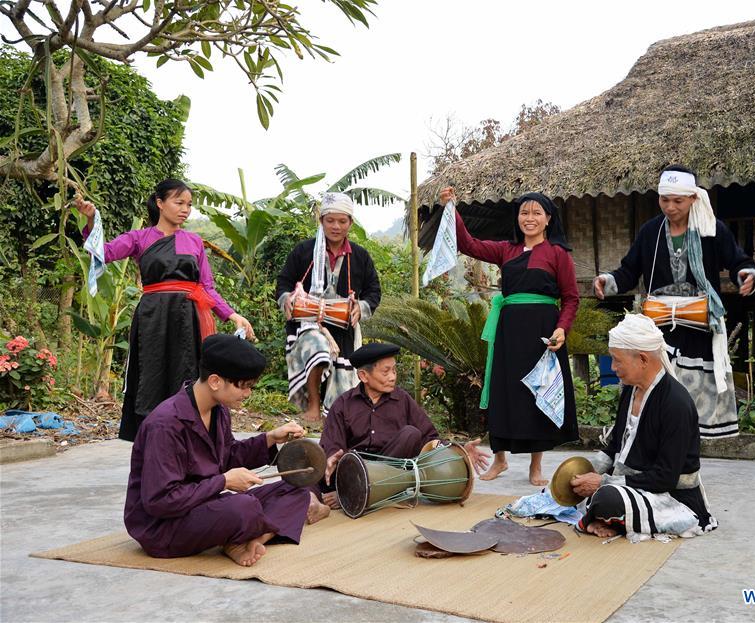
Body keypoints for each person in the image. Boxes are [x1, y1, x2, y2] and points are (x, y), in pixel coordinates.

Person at [124, 334, 330, 567]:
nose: (248, 394)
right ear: (215, 381)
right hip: (162, 527)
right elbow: (160, 501)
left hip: (205, 506)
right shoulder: (165, 424)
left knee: (294, 488)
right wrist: (223, 482)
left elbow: (228, 455)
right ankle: (241, 535)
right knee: (243, 507)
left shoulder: (219, 411)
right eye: (244, 386)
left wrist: (271, 439)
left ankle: (251, 539)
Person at [77, 180, 254, 441]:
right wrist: (92, 220)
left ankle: (189, 438)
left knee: (188, 375)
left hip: (187, 318)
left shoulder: (194, 242)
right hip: (152, 318)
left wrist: (232, 314)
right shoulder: (140, 238)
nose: (185, 209)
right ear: (160, 203)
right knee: (151, 375)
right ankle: (153, 438)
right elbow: (103, 252)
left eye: (189, 205)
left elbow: (207, 287)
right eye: (178, 202)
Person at [593, 165, 755, 438]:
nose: (670, 207)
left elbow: (738, 260)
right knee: (652, 389)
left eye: (678, 201)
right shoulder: (650, 232)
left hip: (698, 328)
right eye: (664, 200)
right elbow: (629, 271)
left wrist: (745, 274)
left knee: (691, 400)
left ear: (693, 198)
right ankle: (644, 451)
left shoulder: (711, 230)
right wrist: (608, 281)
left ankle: (685, 458)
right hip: (658, 330)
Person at [437, 187, 579, 486]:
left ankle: (535, 467)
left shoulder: (558, 254)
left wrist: (562, 329)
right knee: (504, 391)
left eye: (536, 213)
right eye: (524, 212)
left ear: (548, 219)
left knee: (537, 392)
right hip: (509, 331)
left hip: (543, 333)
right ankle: (500, 461)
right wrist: (451, 208)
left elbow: (571, 298)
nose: (529, 218)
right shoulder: (506, 250)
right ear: (517, 218)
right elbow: (468, 243)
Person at [569, 314, 716, 541]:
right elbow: (616, 446)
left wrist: (603, 482)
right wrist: (584, 471)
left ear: (643, 359)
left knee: (606, 498)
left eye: (617, 360)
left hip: (671, 496)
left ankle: (611, 517)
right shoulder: (630, 389)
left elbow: (665, 478)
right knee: (573, 486)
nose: (613, 367)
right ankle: (612, 518)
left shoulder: (675, 403)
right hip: (632, 486)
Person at [319, 342, 491, 509]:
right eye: (386, 372)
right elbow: (332, 445)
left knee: (411, 434)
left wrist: (457, 450)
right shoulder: (343, 404)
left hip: (392, 472)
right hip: (356, 470)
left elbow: (429, 437)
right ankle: (354, 489)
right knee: (308, 470)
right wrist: (332, 458)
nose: (393, 377)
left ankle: (355, 494)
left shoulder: (402, 400)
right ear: (364, 376)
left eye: (394, 370)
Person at [275, 192, 381, 422]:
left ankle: (333, 416)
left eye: (342, 221)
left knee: (342, 378)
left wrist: (360, 308)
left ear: (350, 223)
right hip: (308, 324)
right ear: (321, 221)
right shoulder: (304, 251)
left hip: (343, 328)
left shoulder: (360, 256)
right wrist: (288, 298)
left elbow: (374, 291)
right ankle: (313, 406)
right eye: (330, 220)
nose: (336, 226)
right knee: (318, 350)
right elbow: (284, 281)